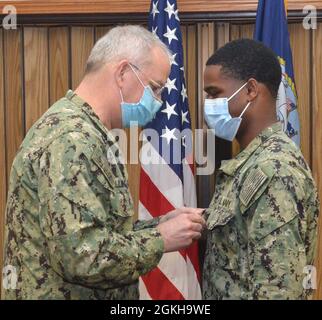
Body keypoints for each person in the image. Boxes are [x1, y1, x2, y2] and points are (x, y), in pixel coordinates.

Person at [2, 25, 205, 300]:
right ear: (122, 73)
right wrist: (161, 239)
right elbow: (82, 257)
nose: (157, 102)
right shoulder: (71, 139)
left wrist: (157, 225)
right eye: (155, 88)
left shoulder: (89, 133)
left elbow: (98, 232)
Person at [202, 39, 319, 300]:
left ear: (251, 90)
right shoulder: (252, 162)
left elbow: (278, 290)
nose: (208, 103)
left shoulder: (274, 170)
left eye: (214, 93)